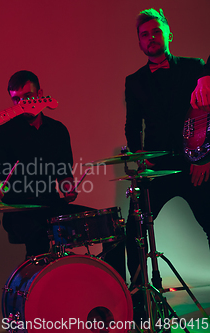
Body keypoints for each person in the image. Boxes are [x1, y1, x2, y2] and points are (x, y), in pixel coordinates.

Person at [124, 8, 210, 319]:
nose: (150, 38)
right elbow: (132, 127)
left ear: (167, 35)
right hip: (157, 169)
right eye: (144, 35)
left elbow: (208, 115)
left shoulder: (195, 68)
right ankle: (139, 300)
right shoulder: (133, 81)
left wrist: (206, 158)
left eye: (155, 32)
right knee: (133, 232)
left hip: (194, 163)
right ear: (139, 43)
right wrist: (139, 157)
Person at [0, 70, 91, 258]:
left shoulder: (58, 130)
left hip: (50, 205)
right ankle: (34, 286)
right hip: (18, 211)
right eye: (16, 100)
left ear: (40, 94)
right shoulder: (4, 134)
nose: (22, 104)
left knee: (108, 224)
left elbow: (64, 175)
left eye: (28, 96)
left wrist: (68, 188)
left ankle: (117, 284)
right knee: (38, 238)